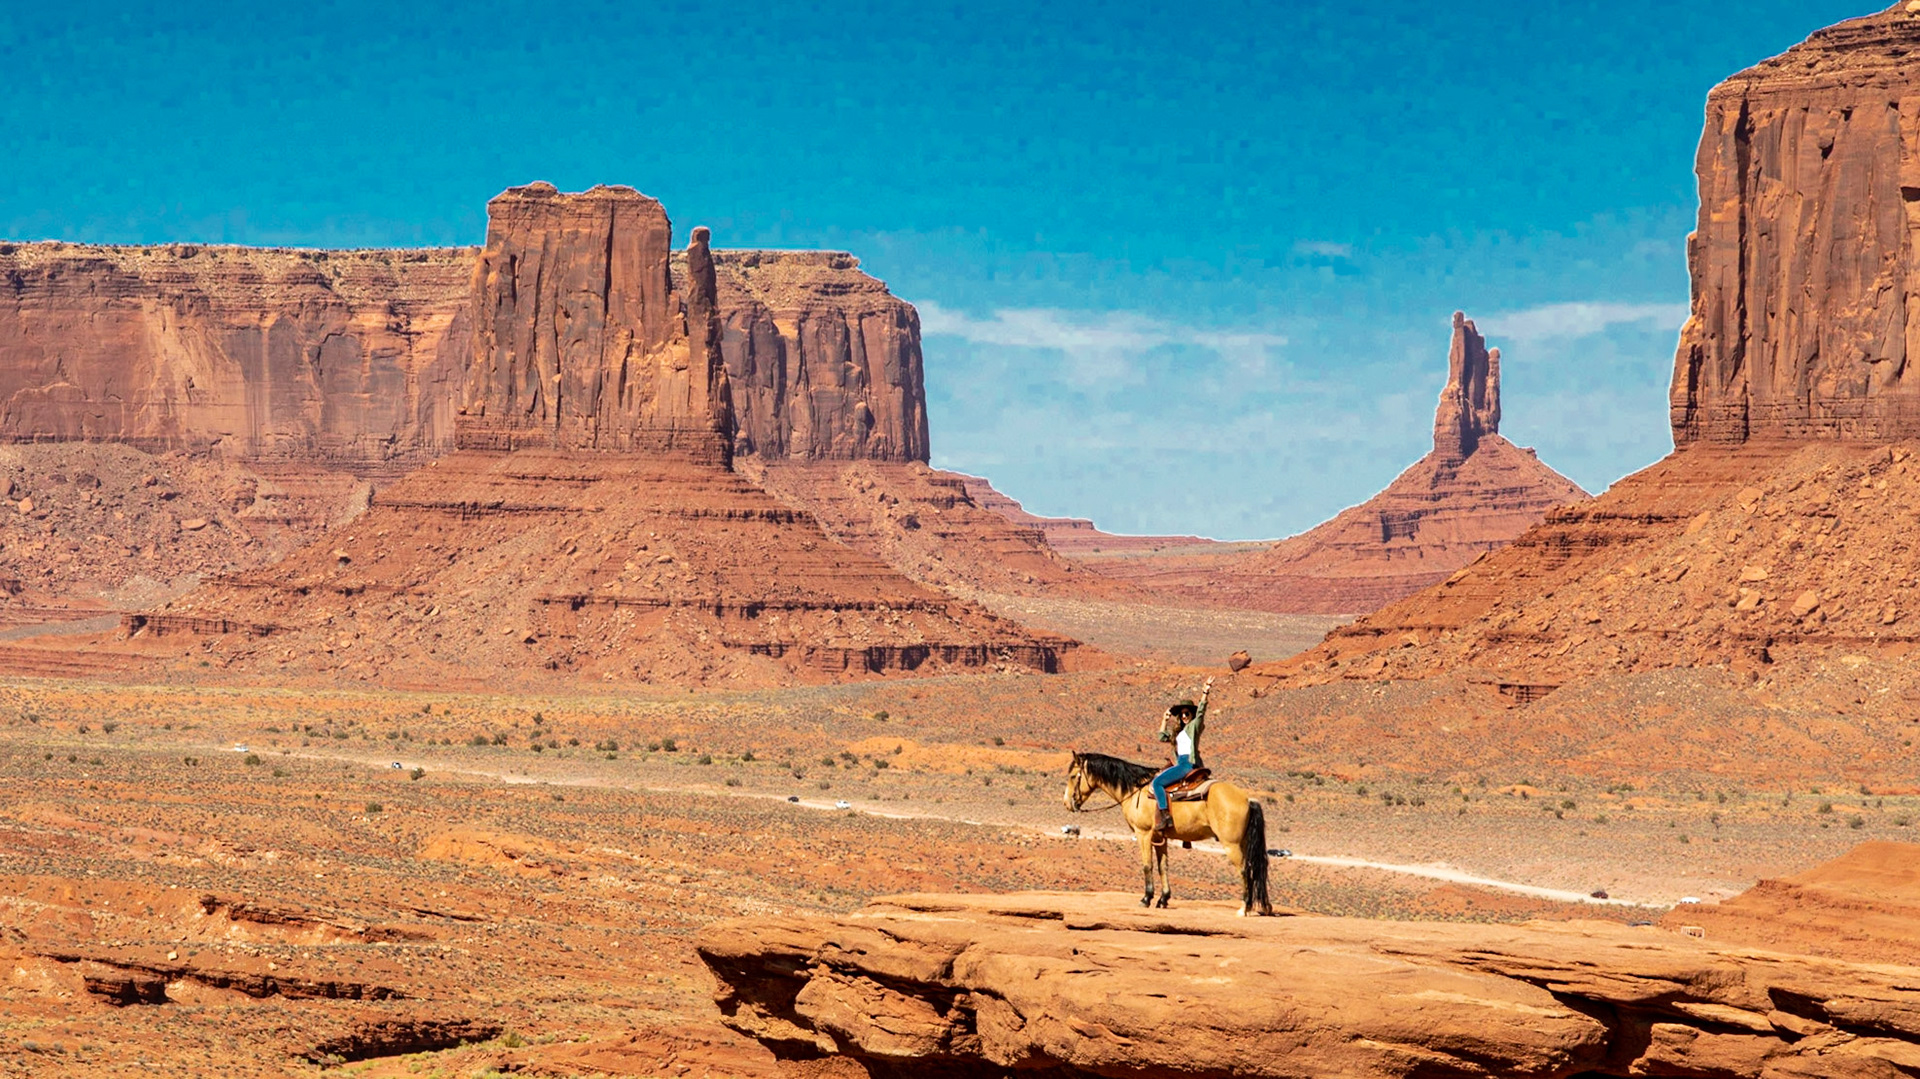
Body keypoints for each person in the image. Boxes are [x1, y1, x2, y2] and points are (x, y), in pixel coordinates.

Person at [1150, 676, 1211, 838]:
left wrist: (1205, 692)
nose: (1184, 716)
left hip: (1187, 764)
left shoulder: (1194, 727)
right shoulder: (1179, 732)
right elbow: (1162, 737)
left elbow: (1201, 713)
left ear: (1191, 714)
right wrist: (1164, 719)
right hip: (1181, 763)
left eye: (1187, 713)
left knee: (1157, 783)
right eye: (1182, 714)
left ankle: (1165, 815)